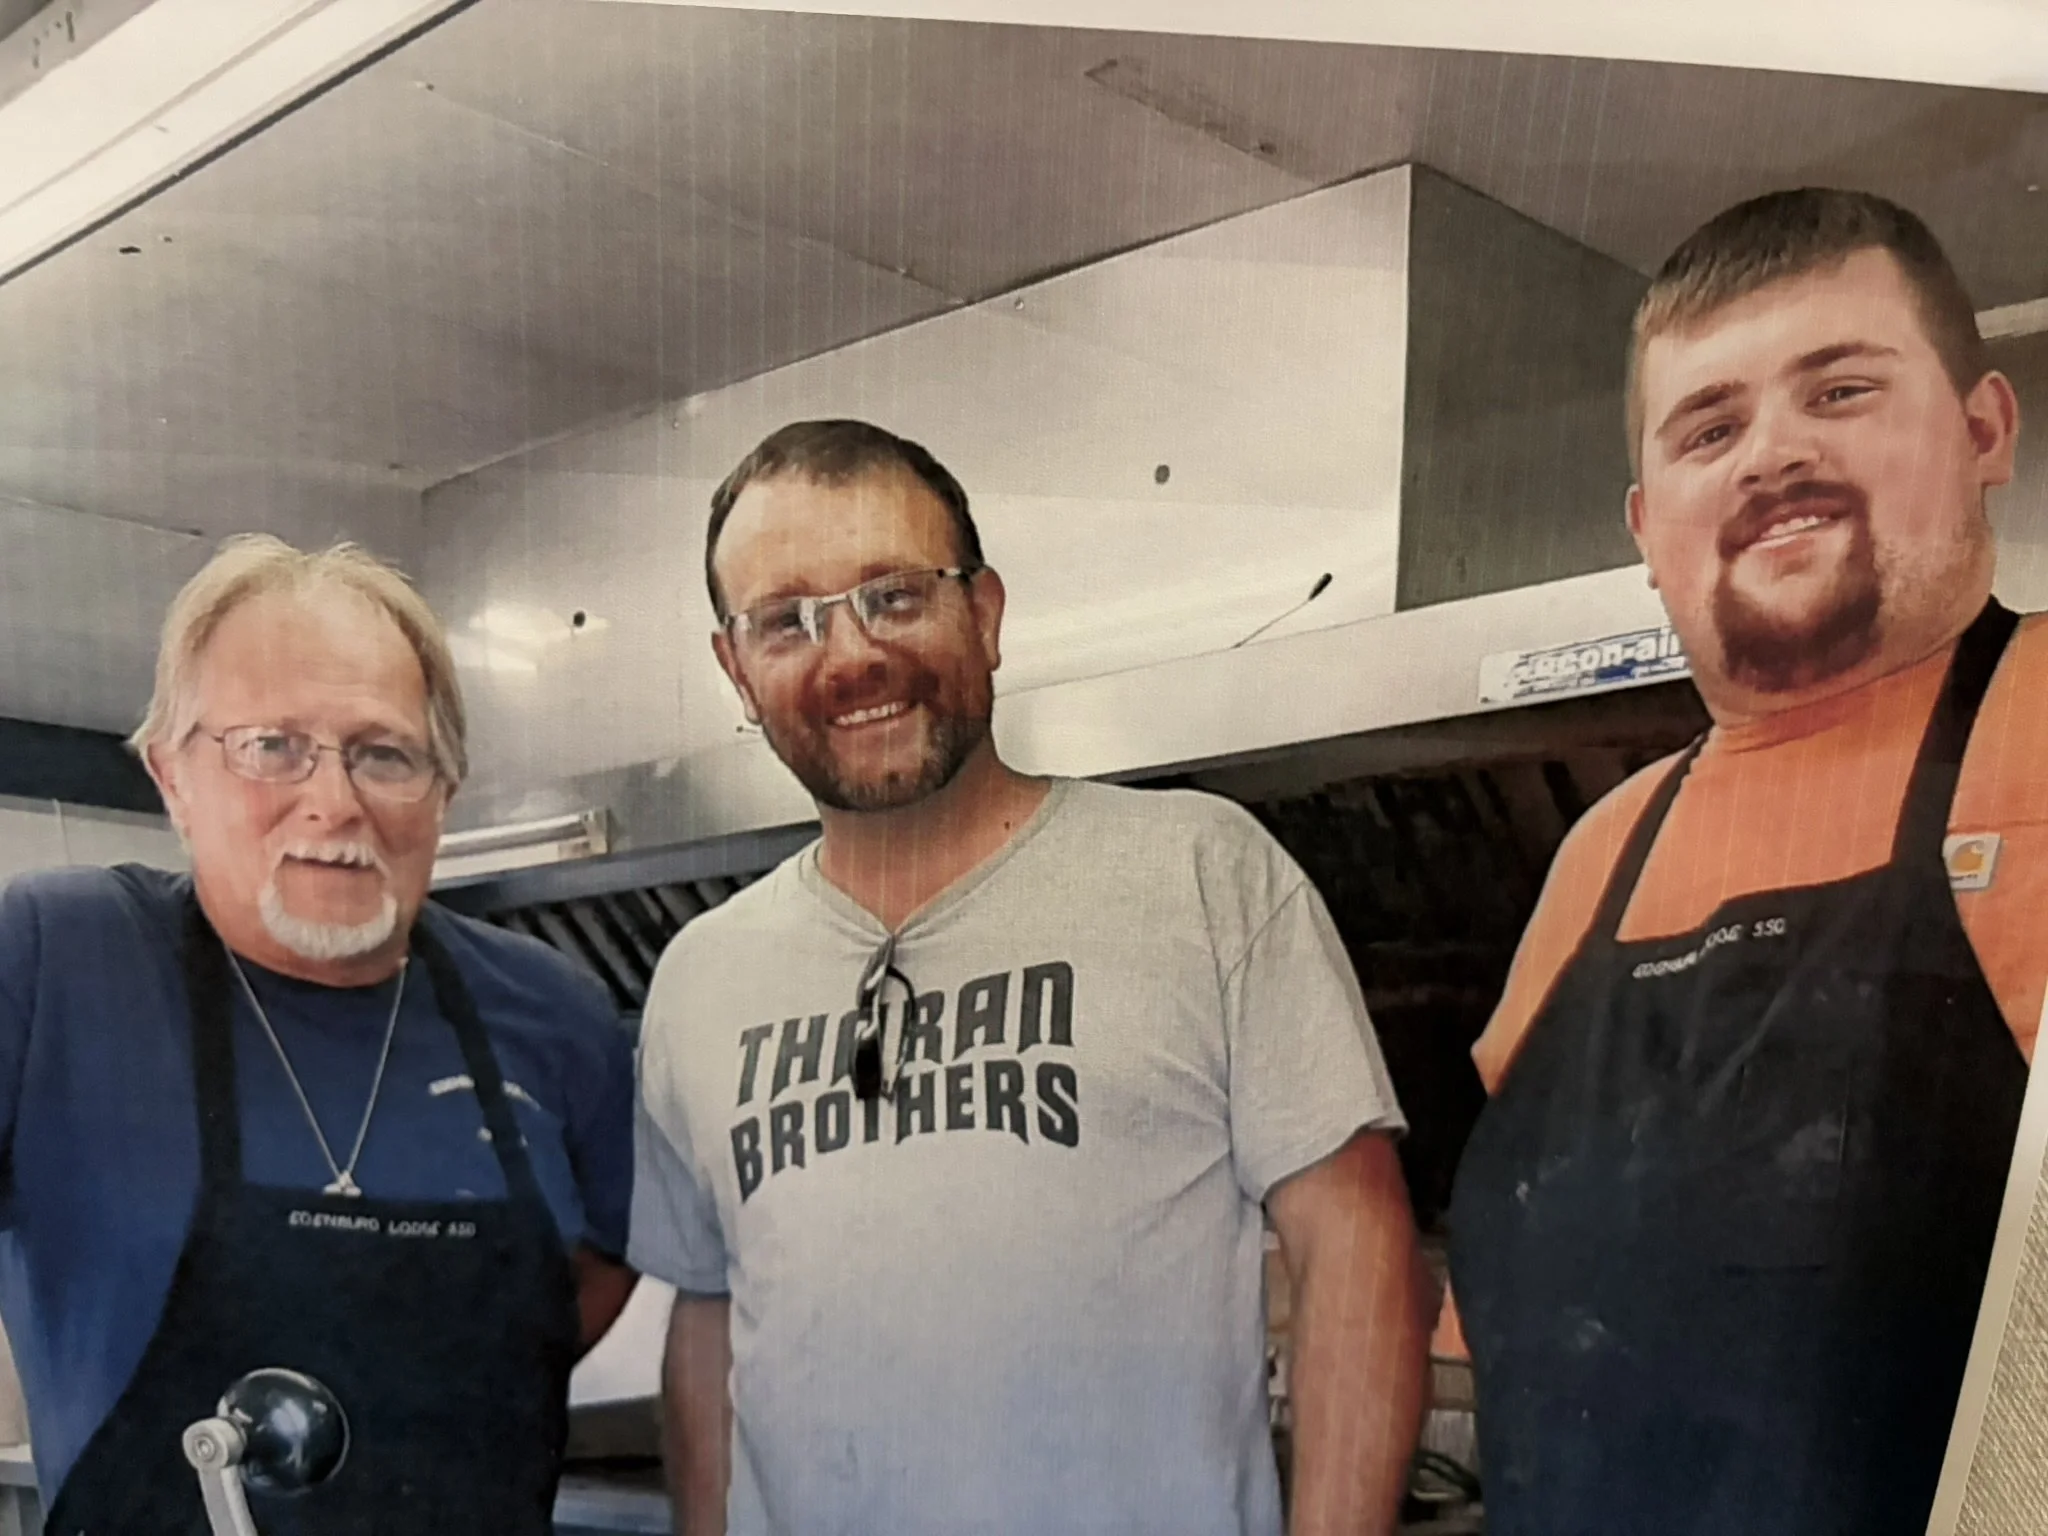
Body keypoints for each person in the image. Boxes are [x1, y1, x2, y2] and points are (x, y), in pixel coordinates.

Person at [629, 419, 1430, 1536]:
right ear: (735, 666)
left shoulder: (1200, 873)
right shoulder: (697, 979)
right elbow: (707, 1318)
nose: (849, 652)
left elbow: (1355, 1249)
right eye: (785, 621)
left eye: (895, 595)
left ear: (986, 613)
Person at [1445, 188, 2038, 1536]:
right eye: (1713, 427)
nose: (1773, 453)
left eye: (1839, 392)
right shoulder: (1600, 854)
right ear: (1649, 526)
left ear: (1983, 428)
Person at [0, 535, 639, 1534]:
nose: (333, 803)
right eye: (270, 747)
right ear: (171, 775)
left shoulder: (554, 1014)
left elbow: (596, 1279)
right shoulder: (56, 962)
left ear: (444, 790)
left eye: (384, 754)